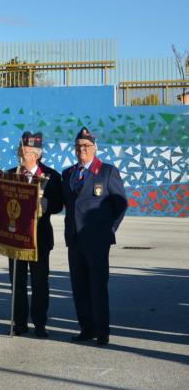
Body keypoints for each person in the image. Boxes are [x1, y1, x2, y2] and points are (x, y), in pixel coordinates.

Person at [62, 127, 127, 346]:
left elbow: (120, 204)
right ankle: (86, 328)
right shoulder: (68, 174)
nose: (82, 149)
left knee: (97, 287)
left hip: (97, 241)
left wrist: (109, 230)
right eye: (79, 146)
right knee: (79, 286)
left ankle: (102, 330)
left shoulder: (107, 172)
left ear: (95, 148)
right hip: (74, 239)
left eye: (87, 146)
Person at [7, 132, 63, 337]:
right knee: (17, 282)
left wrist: (43, 204)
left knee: (40, 283)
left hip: (40, 238)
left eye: (26, 151)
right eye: (20, 150)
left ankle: (40, 324)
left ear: (36, 154)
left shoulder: (52, 175)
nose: (21, 154)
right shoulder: (10, 174)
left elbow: (58, 204)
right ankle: (20, 323)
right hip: (15, 238)